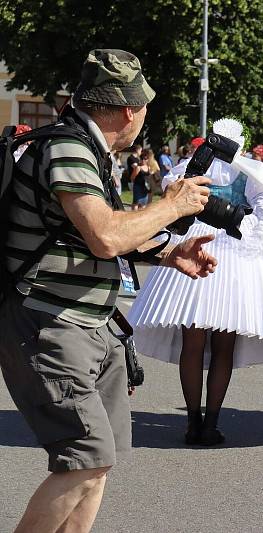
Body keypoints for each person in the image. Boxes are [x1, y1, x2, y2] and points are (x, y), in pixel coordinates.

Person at [0, 49, 216, 533]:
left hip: (92, 323)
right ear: (129, 110)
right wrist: (175, 205)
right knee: (84, 459)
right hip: (51, 322)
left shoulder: (91, 149)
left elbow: (93, 234)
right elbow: (106, 236)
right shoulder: (69, 149)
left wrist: (166, 253)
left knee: (99, 462)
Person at [129, 119, 263, 445]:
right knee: (223, 348)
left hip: (194, 243)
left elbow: (170, 192)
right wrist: (241, 224)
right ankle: (211, 423)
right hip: (236, 253)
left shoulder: (193, 164)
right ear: (239, 143)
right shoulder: (250, 170)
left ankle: (192, 421)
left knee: (193, 342)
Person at [127, 144, 149, 210]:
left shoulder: (138, 160)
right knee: (136, 202)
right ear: (137, 150)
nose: (141, 152)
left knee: (142, 203)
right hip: (137, 183)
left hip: (144, 185)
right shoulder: (131, 158)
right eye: (140, 150)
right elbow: (134, 170)